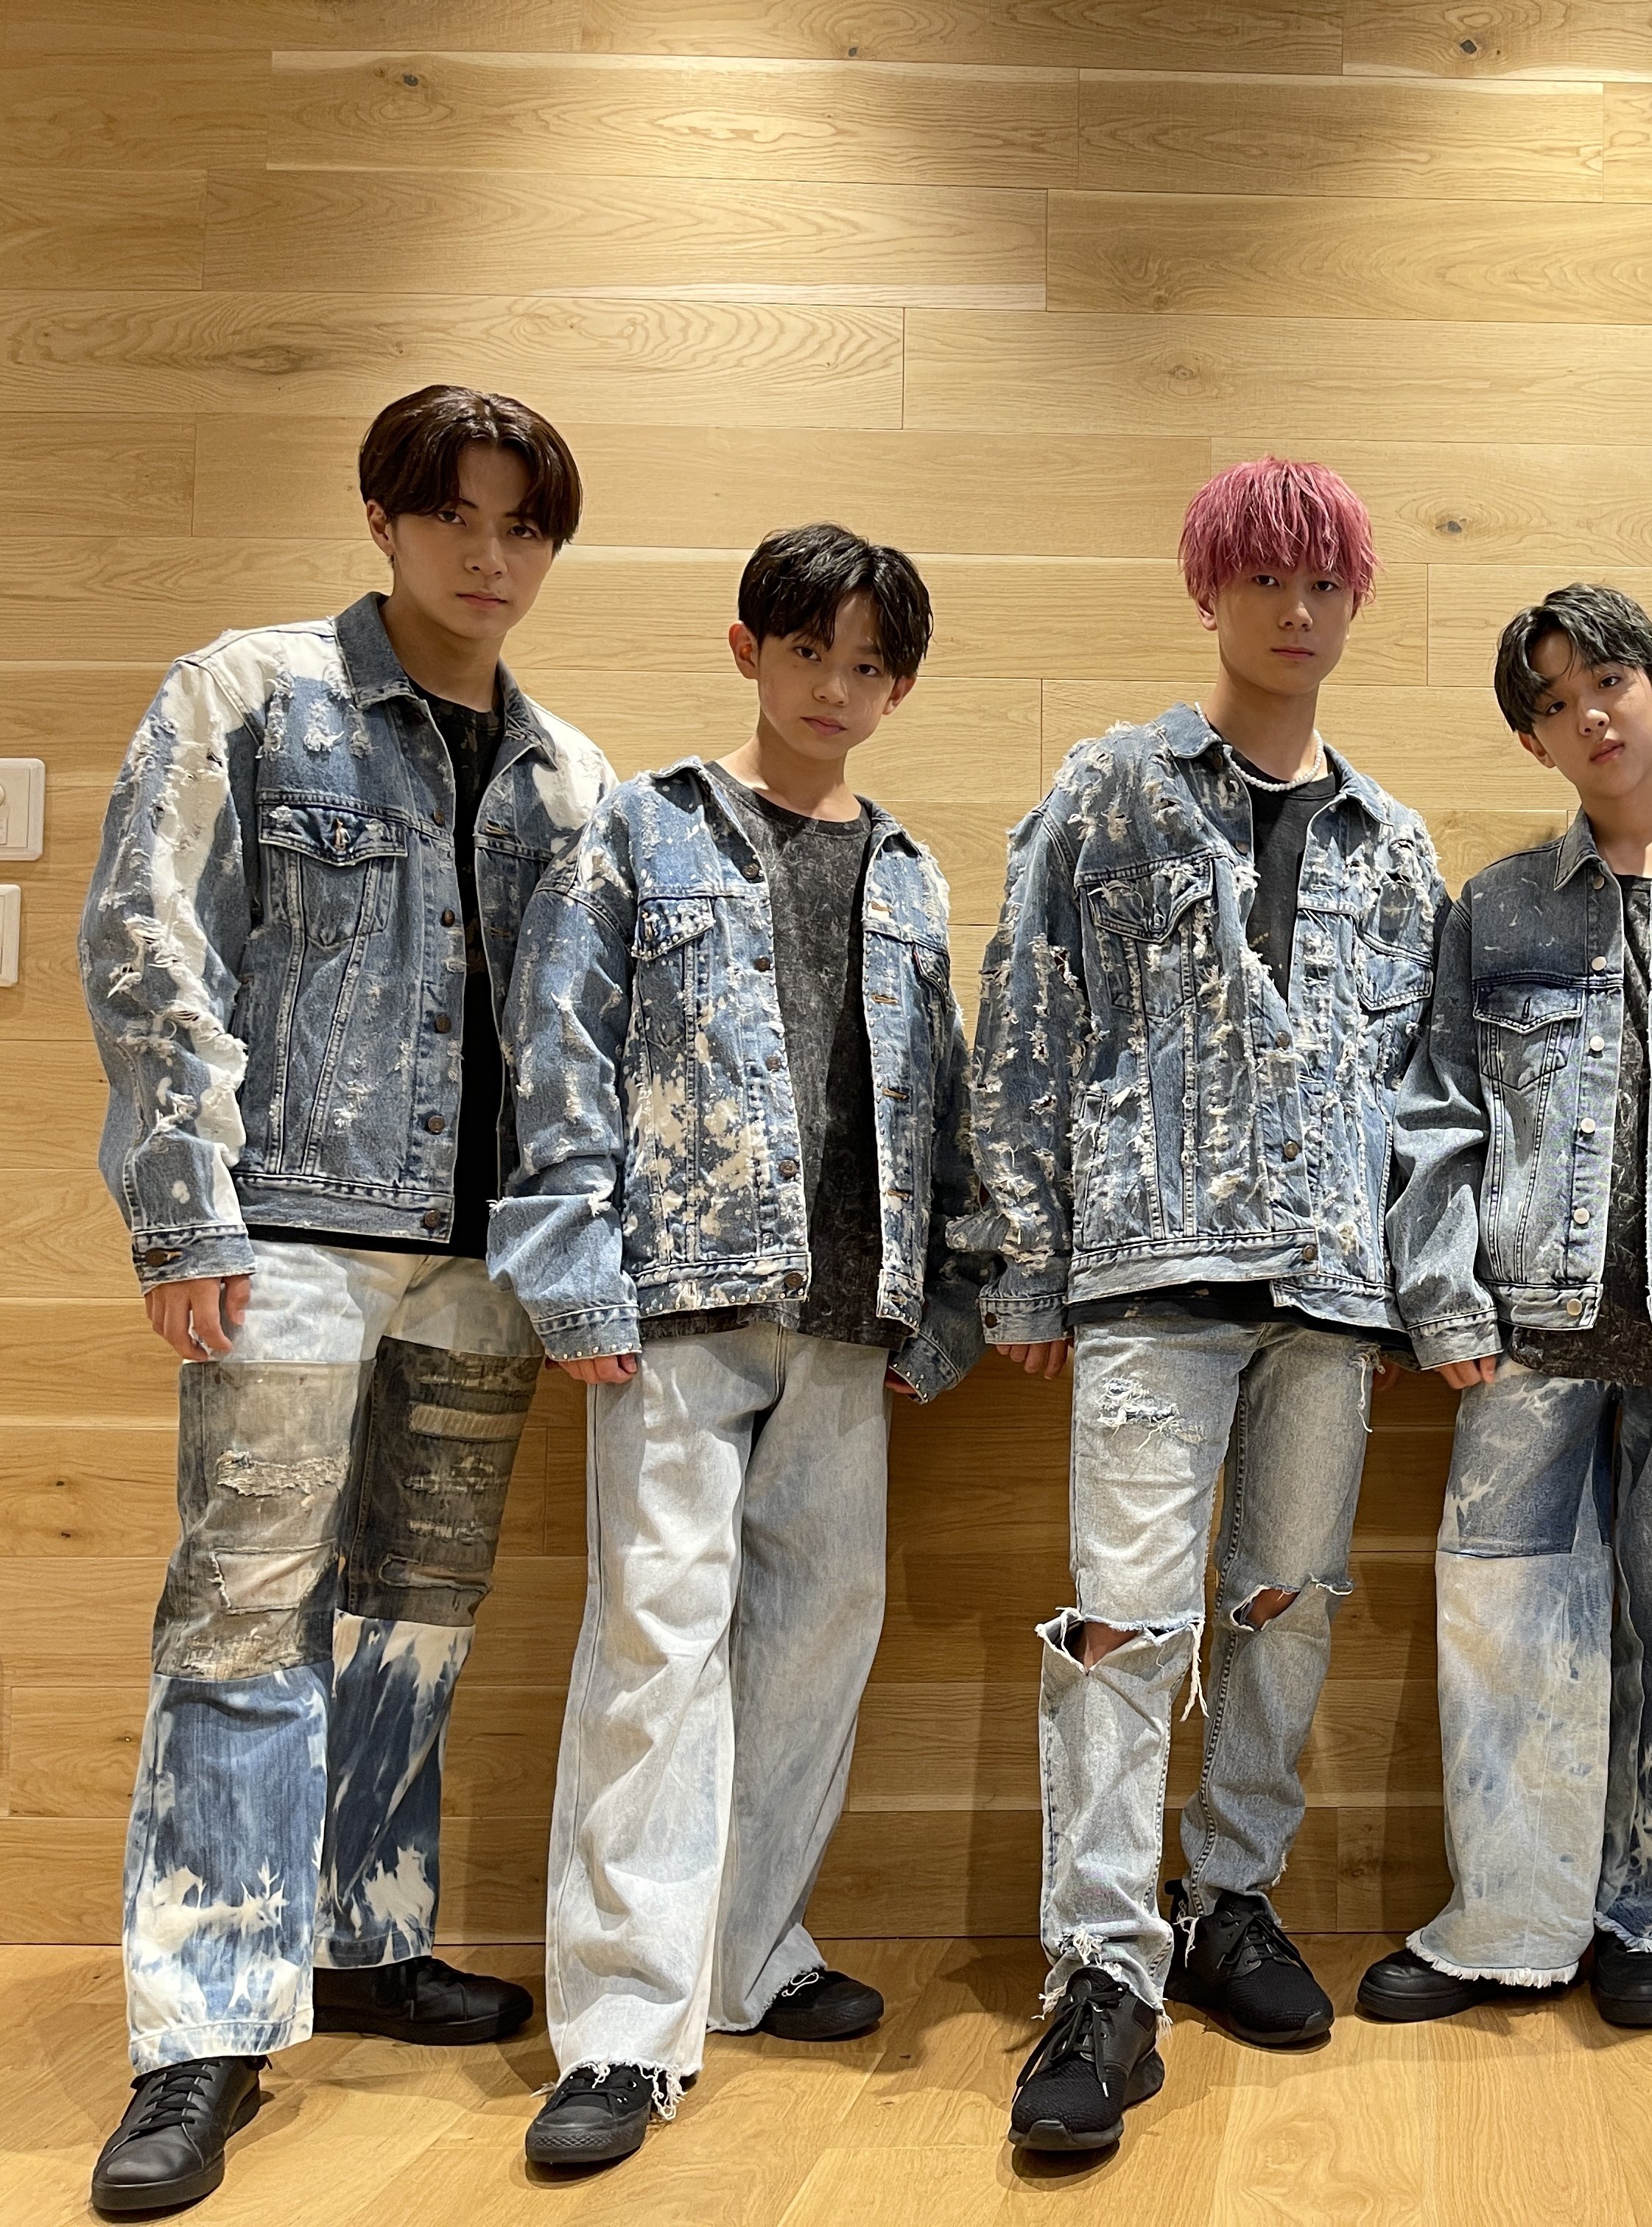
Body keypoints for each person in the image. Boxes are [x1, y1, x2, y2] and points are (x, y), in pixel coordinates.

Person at [78, 386, 607, 2214]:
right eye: (455, 514)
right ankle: (202, 2031)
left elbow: (577, 1041)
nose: (490, 555)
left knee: (415, 1613)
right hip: (287, 1239)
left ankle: (366, 1939)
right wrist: (185, 1212)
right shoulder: (248, 693)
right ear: (384, 518)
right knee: (246, 1613)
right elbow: (150, 941)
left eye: (524, 526)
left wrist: (576, 1258)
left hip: (485, 1267)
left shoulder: (567, 777)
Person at [970, 457, 1447, 2151]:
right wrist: (1025, 1255)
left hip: (1331, 1287)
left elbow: (1424, 1087)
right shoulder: (1110, 789)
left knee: (1285, 1605)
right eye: (1264, 579)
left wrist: (1425, 1290)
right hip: (1147, 1274)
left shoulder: (1396, 845)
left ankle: (1231, 1898)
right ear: (1211, 590)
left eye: (1324, 583)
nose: (1296, 610)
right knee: (1123, 1623)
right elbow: (1024, 1013)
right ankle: (1103, 1970)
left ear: (1355, 601)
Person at [493, 524, 981, 2165]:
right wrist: (572, 1274)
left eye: (868, 666)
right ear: (748, 650)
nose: (835, 688)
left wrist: (950, 1302)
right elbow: (559, 1053)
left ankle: (745, 1956)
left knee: (817, 1641)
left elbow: (939, 1104)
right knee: (658, 1648)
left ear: (898, 686)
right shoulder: (644, 831)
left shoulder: (908, 871)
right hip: (677, 1308)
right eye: (807, 652)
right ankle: (623, 2031)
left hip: (848, 1321)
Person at [1357, 583, 1652, 2032]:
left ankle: (1651, 1917)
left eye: (1610, 682)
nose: (1593, 715)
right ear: (1535, 741)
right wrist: (1442, 1297)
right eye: (1558, 704)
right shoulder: (1499, 904)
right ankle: (1507, 1926)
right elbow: (1439, 1113)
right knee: (1504, 1627)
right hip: (1527, 1329)